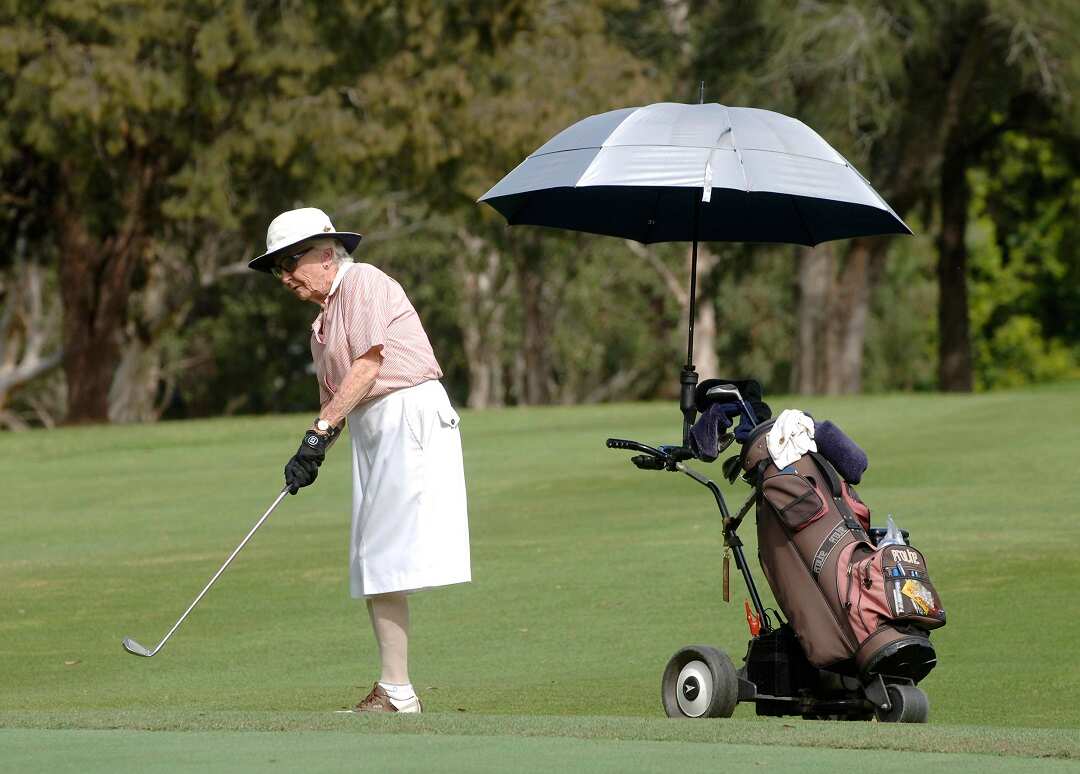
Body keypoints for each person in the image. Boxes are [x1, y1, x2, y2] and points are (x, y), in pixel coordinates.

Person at [249, 207, 471, 713]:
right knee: (372, 557)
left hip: (406, 413)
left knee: (381, 554)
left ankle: (397, 692)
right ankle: (395, 689)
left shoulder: (364, 281)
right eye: (277, 269)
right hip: (374, 426)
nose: (285, 277)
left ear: (326, 255)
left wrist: (320, 432)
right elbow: (339, 397)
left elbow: (370, 365)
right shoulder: (321, 326)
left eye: (290, 262)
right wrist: (312, 449)